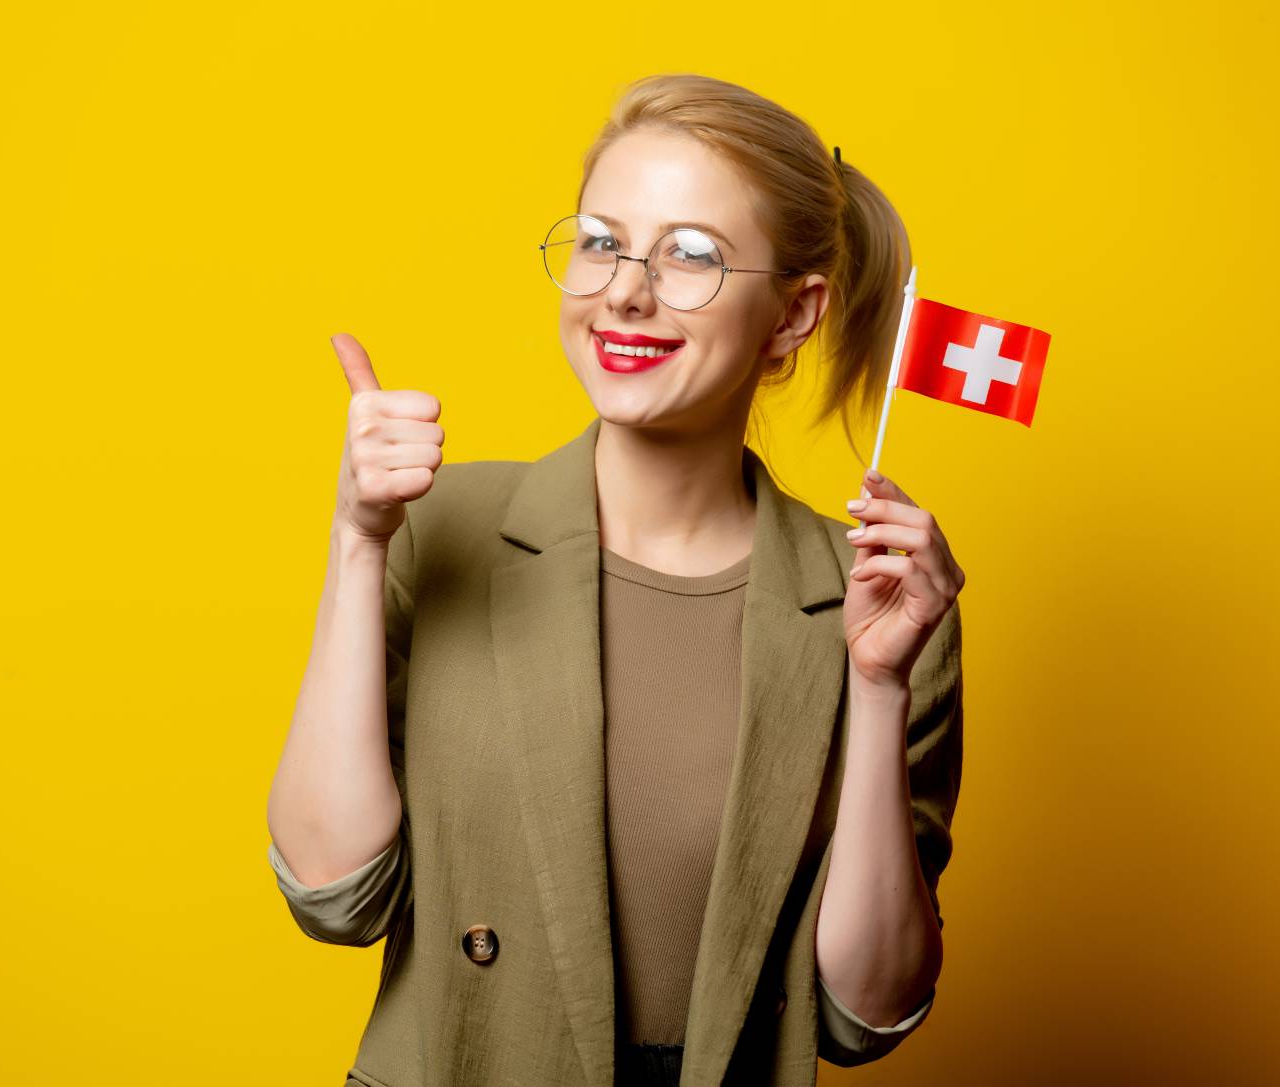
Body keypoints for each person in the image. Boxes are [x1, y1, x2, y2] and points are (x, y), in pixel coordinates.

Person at [265, 72, 965, 1087]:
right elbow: (335, 895)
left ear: (793, 314)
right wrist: (356, 539)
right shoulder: (442, 529)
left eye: (692, 255)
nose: (626, 290)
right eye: (601, 239)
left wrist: (878, 683)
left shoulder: (881, 602)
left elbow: (866, 1012)